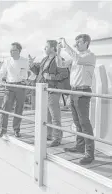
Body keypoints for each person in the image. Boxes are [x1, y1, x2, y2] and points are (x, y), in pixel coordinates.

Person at [57, 34, 96, 165]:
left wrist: (66, 45)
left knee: (84, 123)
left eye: (79, 42)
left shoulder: (89, 56)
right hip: (73, 91)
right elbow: (60, 64)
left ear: (86, 43)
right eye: (76, 42)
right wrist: (58, 51)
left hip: (83, 91)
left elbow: (78, 58)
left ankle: (90, 154)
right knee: (77, 121)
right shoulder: (76, 57)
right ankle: (80, 146)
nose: (77, 44)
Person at [28, 40, 69, 147]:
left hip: (53, 90)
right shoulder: (45, 59)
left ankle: (57, 138)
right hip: (43, 91)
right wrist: (32, 65)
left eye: (46, 47)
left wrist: (51, 77)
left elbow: (64, 74)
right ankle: (49, 135)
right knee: (47, 115)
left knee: (55, 115)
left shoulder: (59, 59)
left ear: (52, 48)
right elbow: (39, 72)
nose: (44, 48)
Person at [0, 42, 30, 140]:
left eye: (13, 50)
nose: (11, 52)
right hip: (9, 86)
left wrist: (26, 79)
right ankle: (2, 129)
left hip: (20, 86)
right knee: (5, 107)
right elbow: (2, 71)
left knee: (19, 108)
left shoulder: (25, 61)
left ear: (19, 51)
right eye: (10, 50)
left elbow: (26, 72)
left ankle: (16, 129)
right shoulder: (7, 60)